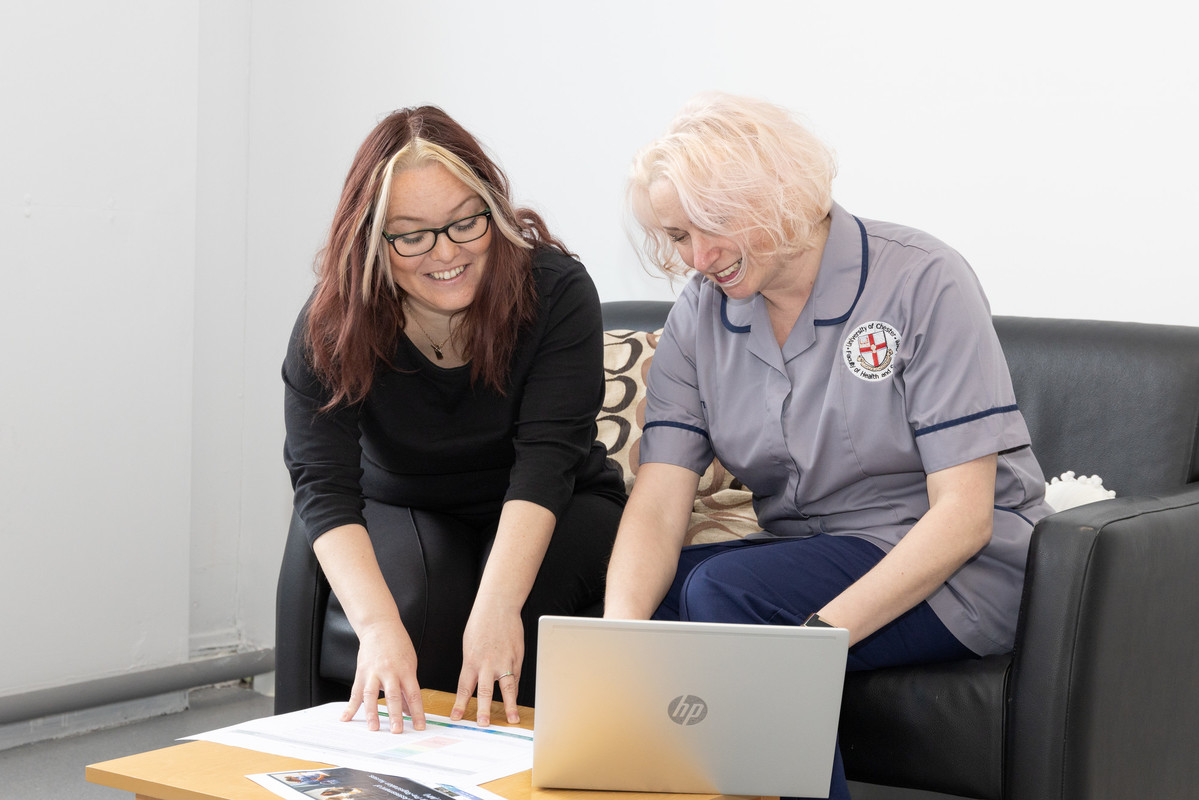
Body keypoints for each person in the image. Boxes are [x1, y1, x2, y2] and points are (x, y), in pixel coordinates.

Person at [603, 92, 1054, 800]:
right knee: (655, 610)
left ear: (782, 192)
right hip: (812, 557)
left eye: (713, 226)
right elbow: (660, 502)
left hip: (959, 567)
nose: (699, 256)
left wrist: (814, 640)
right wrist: (617, 644)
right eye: (678, 236)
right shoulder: (700, 311)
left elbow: (964, 517)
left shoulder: (921, 280)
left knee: (725, 596)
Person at [281, 106, 625, 732]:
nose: (445, 253)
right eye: (411, 235)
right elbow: (322, 484)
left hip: (555, 501)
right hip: (408, 503)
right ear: (370, 240)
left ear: (492, 210)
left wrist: (498, 608)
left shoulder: (556, 290)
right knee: (414, 617)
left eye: (466, 224)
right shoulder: (332, 322)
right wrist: (378, 630)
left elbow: (546, 462)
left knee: (517, 630)